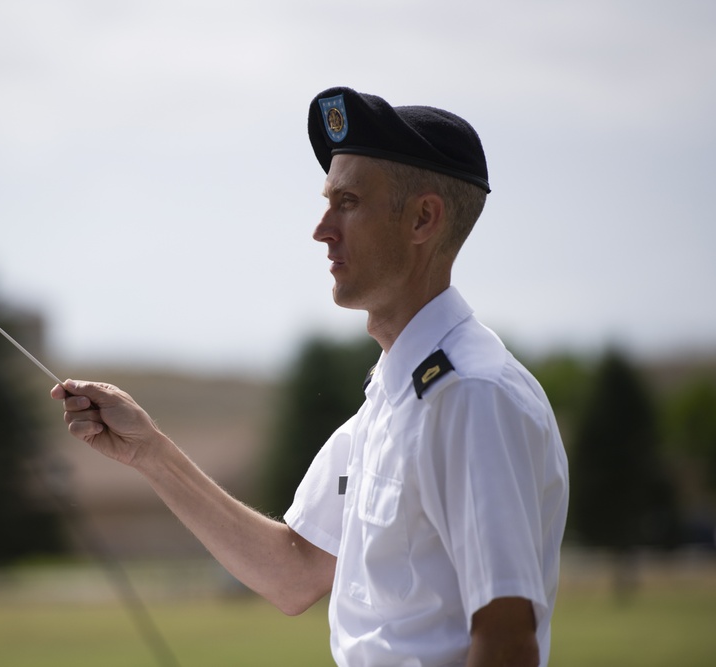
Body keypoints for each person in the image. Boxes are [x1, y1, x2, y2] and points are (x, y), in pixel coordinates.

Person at [51, 86, 569, 667]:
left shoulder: (471, 394)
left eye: (347, 202)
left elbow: (506, 641)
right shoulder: (396, 395)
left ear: (424, 218)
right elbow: (294, 571)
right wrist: (149, 452)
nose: (322, 229)